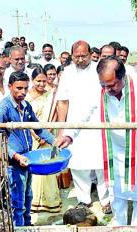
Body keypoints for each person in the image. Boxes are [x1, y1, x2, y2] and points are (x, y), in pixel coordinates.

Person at [58, 56, 137, 226]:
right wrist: (69, 134)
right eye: (104, 85)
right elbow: (83, 113)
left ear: (122, 76)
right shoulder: (99, 88)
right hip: (115, 150)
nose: (107, 89)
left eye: (112, 85)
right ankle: (120, 231)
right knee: (117, 195)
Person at [0, 71, 55, 226]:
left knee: (28, 195)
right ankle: (19, 231)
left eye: (25, 89)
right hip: (14, 162)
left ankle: (27, 225)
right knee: (17, 201)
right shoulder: (4, 108)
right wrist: (15, 156)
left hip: (27, 159)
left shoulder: (26, 105)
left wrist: (55, 141)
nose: (22, 92)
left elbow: (37, 127)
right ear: (9, 86)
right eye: (18, 88)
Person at [56, 40, 110, 212]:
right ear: (72, 56)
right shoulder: (67, 73)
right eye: (76, 56)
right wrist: (62, 129)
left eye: (83, 56)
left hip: (98, 123)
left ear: (90, 55)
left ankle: (106, 200)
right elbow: (62, 102)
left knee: (102, 163)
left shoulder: (99, 69)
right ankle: (84, 199)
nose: (80, 59)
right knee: (78, 164)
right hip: (74, 125)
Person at [25, 68, 62, 212]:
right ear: (32, 81)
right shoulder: (27, 97)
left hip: (47, 136)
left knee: (48, 167)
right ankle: (34, 203)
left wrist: (46, 134)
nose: (41, 84)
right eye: (38, 81)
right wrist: (36, 136)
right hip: (33, 138)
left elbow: (55, 115)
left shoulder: (50, 96)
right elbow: (26, 120)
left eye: (43, 81)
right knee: (34, 169)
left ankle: (50, 204)